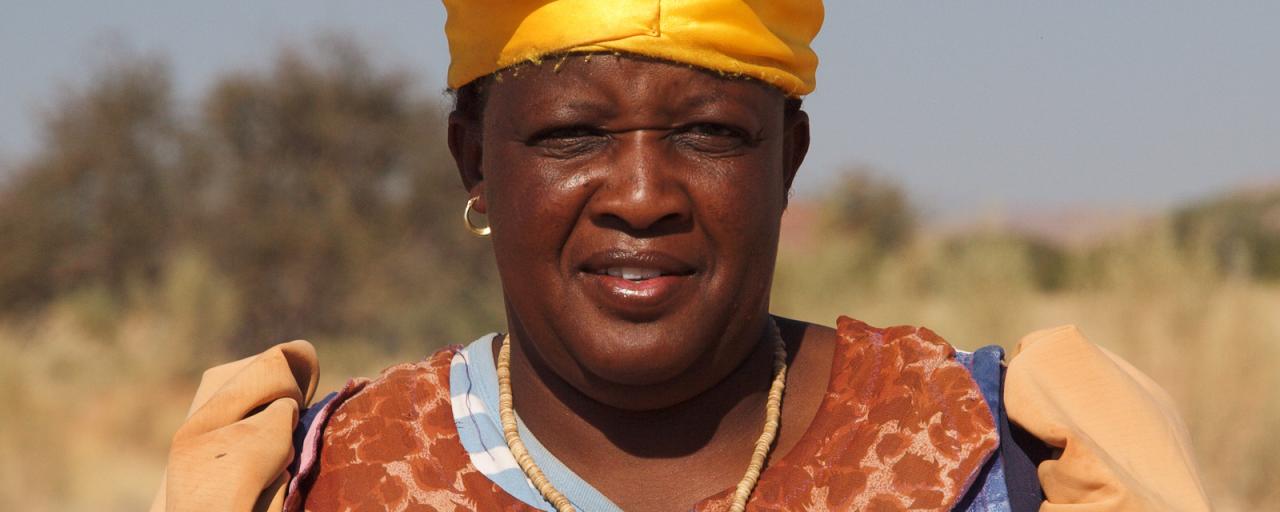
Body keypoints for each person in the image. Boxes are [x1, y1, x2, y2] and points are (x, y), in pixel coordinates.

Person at [151, 1, 1210, 511]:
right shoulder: (317, 479)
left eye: (710, 133)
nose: (644, 196)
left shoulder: (1002, 456)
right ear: (474, 160)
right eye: (571, 137)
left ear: (785, 160)